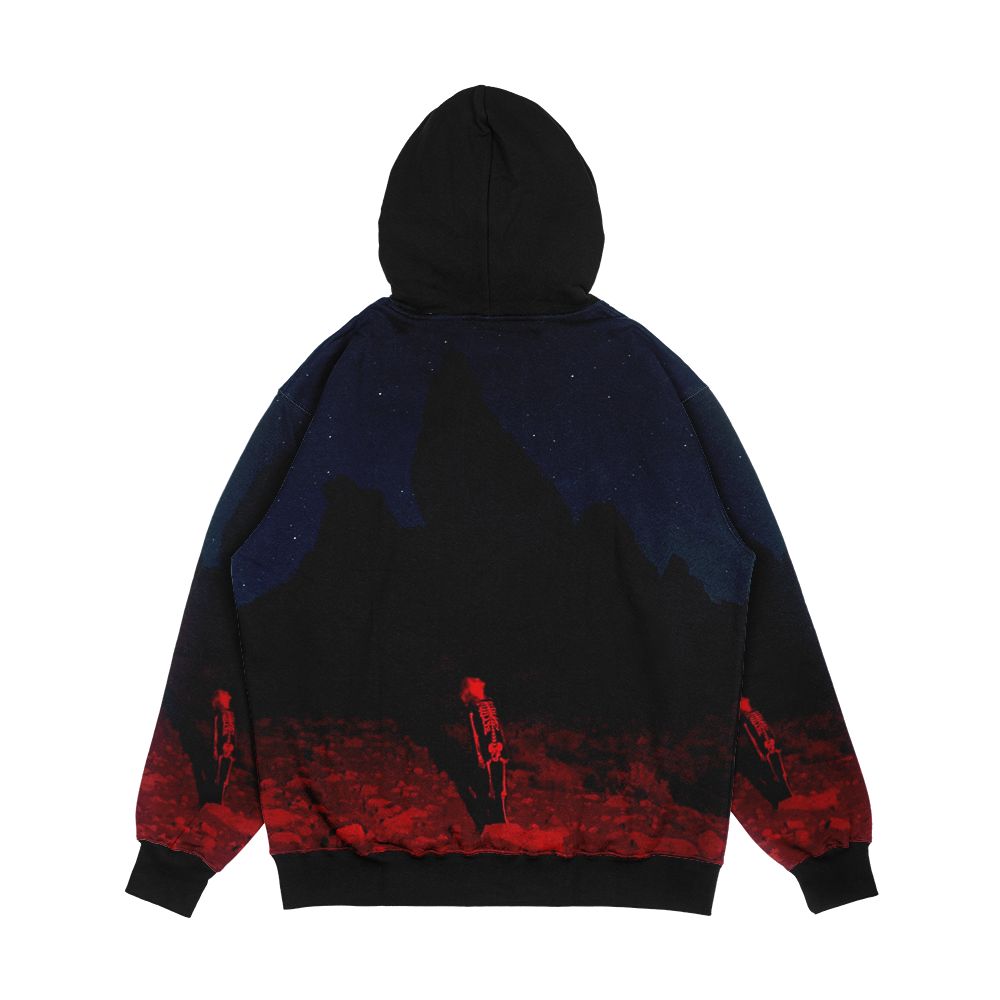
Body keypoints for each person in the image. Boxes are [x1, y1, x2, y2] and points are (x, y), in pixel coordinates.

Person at [460, 677, 509, 826]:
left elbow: (498, 726)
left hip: (498, 748)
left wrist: (505, 748)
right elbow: (475, 733)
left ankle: (502, 818)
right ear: (470, 689)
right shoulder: (472, 708)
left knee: (500, 784)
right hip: (485, 751)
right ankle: (486, 820)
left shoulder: (490, 702)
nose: (480, 681)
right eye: (475, 680)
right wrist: (479, 755)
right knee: (486, 786)